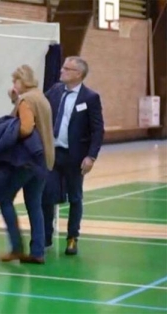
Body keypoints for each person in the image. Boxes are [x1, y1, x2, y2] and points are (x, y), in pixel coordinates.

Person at [42, 56, 104, 255]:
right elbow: (38, 107)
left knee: (75, 197)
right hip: (53, 154)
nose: (62, 71)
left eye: (67, 69)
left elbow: (97, 130)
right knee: (47, 195)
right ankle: (46, 235)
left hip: (75, 157)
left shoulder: (90, 98)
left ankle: (72, 237)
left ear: (78, 74)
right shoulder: (55, 91)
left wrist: (91, 157)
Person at [0, 65, 55, 264]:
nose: (13, 85)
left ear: (22, 81)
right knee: (34, 204)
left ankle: (16, 247)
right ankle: (38, 250)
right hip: (44, 160)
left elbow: (27, 127)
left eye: (15, 81)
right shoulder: (41, 98)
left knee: (4, 198)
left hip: (26, 161)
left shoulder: (26, 100)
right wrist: (15, 100)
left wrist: (8, 135)